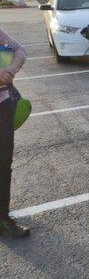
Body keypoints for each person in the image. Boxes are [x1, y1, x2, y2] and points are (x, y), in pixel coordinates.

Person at [0, 28, 28, 238]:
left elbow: (20, 50)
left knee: (3, 162)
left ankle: (3, 217)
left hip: (3, 106)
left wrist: (9, 70)